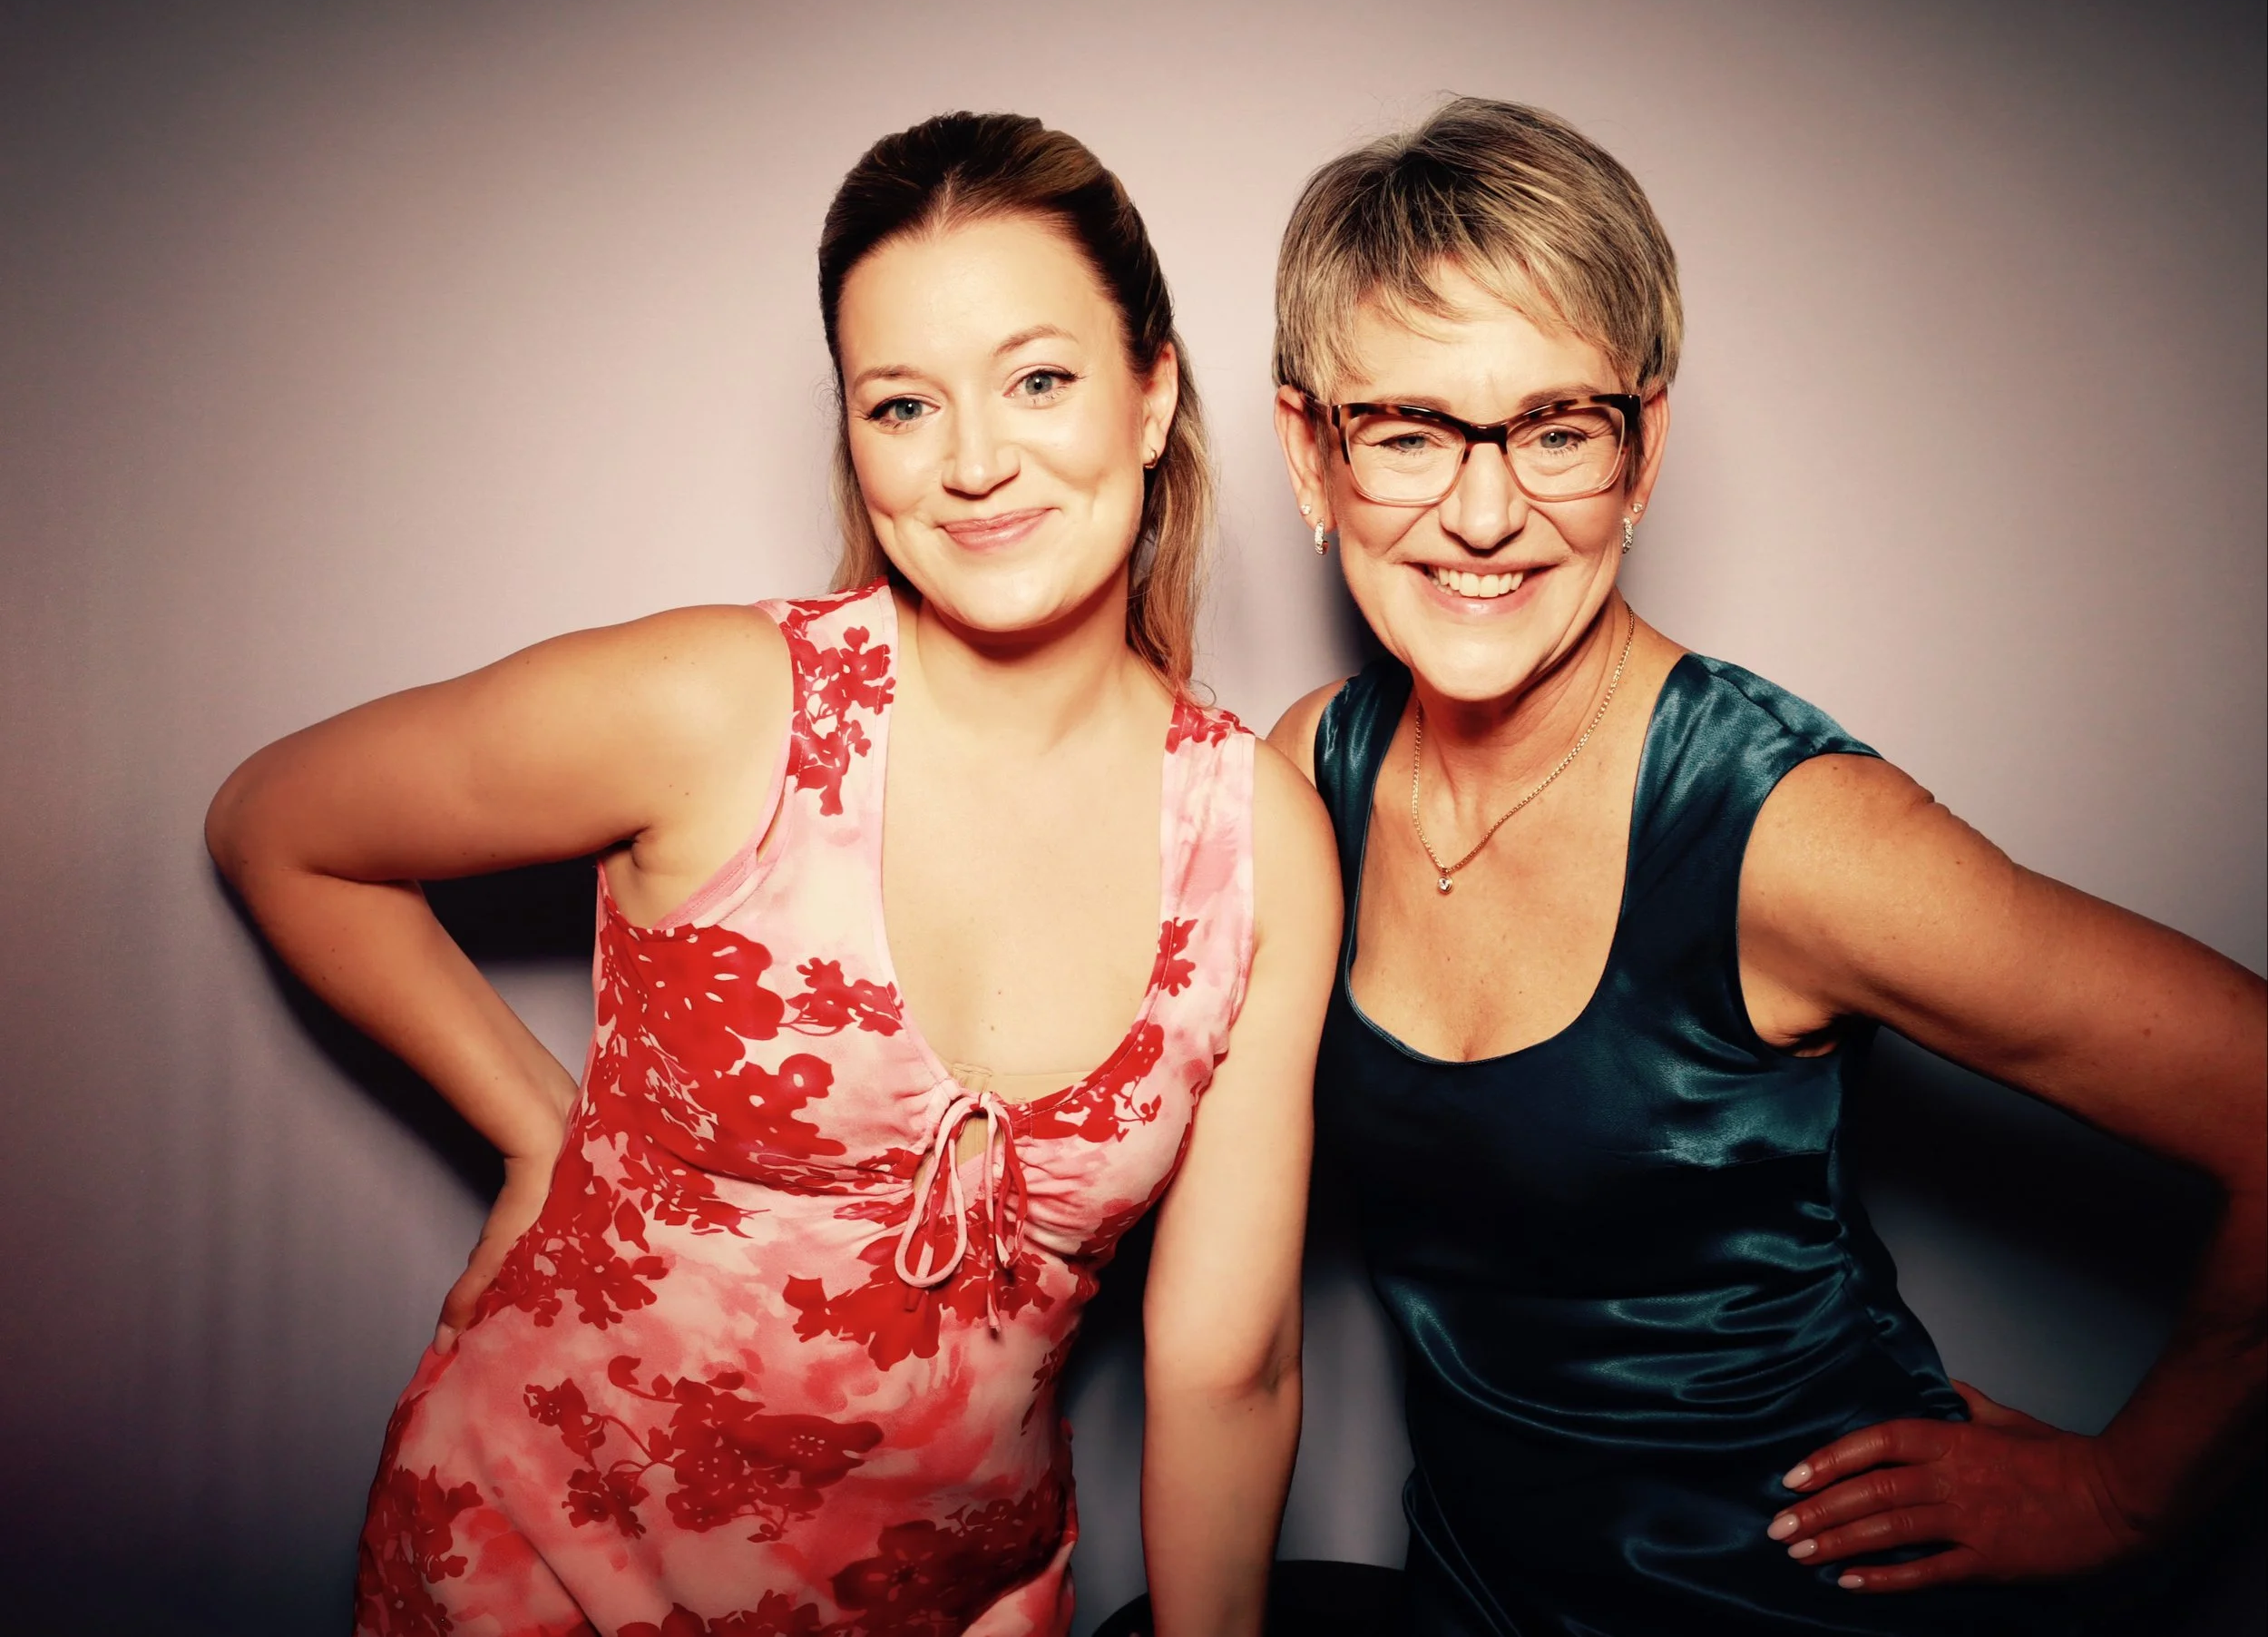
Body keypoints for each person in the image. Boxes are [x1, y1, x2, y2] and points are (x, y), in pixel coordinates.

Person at [207, 111, 1338, 1637]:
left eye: (1040, 379)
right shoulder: (718, 706)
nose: (977, 462)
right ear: (854, 438)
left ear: (1151, 395)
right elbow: (276, 825)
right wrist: (542, 1138)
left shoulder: (1259, 838)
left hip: (962, 1598)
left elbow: (1224, 1366)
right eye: (902, 405)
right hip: (540, 1564)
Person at [1265, 97, 2264, 1636]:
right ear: (1310, 455)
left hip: (1797, 1606)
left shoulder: (1788, 830)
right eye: (1405, 430)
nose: (1481, 510)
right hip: (1477, 1595)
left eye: (1555, 428)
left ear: (1642, 446)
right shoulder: (1311, 769)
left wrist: (2124, 1492)